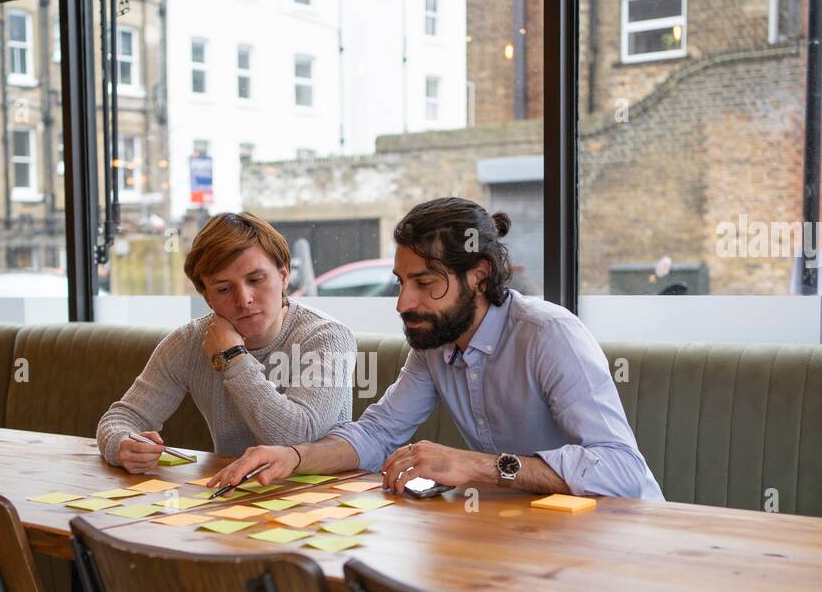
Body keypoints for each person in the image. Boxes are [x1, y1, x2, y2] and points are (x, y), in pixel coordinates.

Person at [207, 196, 662, 500]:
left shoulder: (548, 334)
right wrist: (294, 456)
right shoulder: (434, 342)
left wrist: (479, 467)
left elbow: (621, 470)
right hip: (527, 534)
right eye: (402, 283)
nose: (404, 303)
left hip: (620, 538)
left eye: (425, 283)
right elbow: (376, 434)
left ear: (480, 275)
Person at [98, 212, 355, 473]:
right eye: (223, 289)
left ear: (284, 276)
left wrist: (234, 359)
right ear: (208, 298)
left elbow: (299, 440)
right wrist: (122, 444)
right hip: (232, 496)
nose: (244, 300)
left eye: (256, 280)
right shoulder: (189, 342)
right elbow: (122, 417)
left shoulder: (327, 337)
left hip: (321, 499)